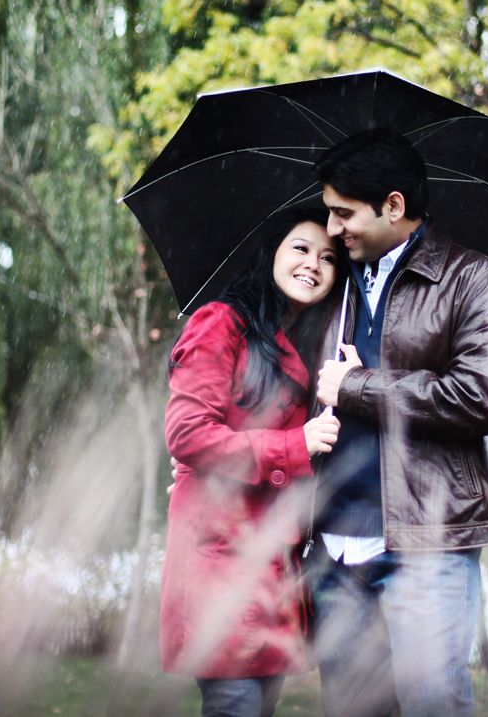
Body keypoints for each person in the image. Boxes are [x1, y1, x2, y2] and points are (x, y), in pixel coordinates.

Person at [308, 129, 488, 717]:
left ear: (394, 206)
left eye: (344, 214)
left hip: (427, 543)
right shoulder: (332, 279)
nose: (331, 229)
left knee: (434, 706)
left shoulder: (477, 279)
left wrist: (358, 386)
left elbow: (482, 399)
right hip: (334, 551)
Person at [160, 207, 345, 717]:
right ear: (271, 254)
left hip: (272, 576)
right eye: (301, 248)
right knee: (234, 704)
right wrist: (295, 445)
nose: (314, 263)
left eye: (329, 258)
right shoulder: (221, 324)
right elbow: (187, 433)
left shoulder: (297, 351)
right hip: (220, 566)